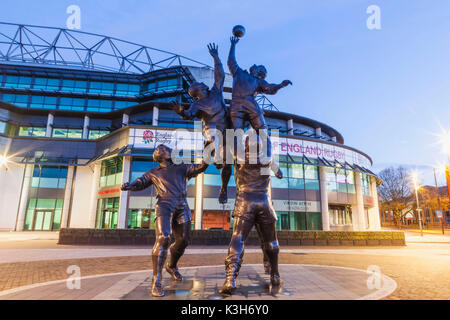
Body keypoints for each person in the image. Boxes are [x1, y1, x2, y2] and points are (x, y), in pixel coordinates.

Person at [121, 144, 208, 297]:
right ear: (160, 155)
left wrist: (208, 151)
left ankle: (171, 266)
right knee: (163, 238)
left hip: (182, 206)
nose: (169, 151)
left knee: (184, 240)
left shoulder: (181, 168)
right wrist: (130, 185)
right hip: (164, 206)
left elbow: (201, 167)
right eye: (165, 149)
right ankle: (157, 280)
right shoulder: (154, 172)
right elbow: (141, 181)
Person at [219, 136, 283, 296]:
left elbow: (225, 165)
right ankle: (275, 275)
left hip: (245, 201)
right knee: (271, 240)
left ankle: (230, 278)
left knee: (238, 238)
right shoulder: (267, 158)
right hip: (263, 201)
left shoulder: (237, 157)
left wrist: (223, 189)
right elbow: (280, 174)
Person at [172, 43, 232, 204]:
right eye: (199, 84)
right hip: (210, 135)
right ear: (197, 90)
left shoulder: (215, 92)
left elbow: (220, 75)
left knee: (228, 164)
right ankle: (185, 178)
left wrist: (216, 57)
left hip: (227, 134)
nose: (203, 83)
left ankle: (223, 189)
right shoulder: (196, 105)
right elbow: (188, 115)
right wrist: (181, 112)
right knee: (202, 165)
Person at [227, 36, 292, 160]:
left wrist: (280, 85)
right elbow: (231, 61)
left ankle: (260, 156)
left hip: (239, 106)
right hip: (247, 106)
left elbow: (270, 88)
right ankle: (260, 156)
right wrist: (233, 45)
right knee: (259, 133)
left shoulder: (252, 79)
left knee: (242, 134)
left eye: (258, 66)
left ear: (258, 72)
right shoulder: (242, 74)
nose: (255, 65)